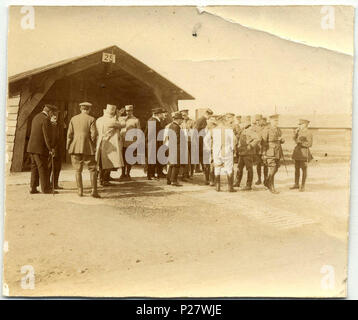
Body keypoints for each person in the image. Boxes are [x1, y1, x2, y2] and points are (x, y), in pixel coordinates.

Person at [67, 102, 100, 198]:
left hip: (75, 146)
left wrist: (68, 146)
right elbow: (93, 135)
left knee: (77, 170)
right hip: (87, 147)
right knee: (92, 169)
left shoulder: (73, 119)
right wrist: (93, 146)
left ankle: (80, 191)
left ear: (80, 109)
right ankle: (94, 191)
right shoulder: (92, 119)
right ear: (89, 109)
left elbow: (69, 135)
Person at [27, 104, 58, 194]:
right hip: (40, 149)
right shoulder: (45, 119)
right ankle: (46, 189)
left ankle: (33, 188)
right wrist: (51, 148)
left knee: (34, 168)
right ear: (49, 111)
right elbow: (46, 136)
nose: (53, 115)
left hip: (31, 148)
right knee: (43, 168)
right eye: (52, 113)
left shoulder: (36, 117)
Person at [96, 104, 125, 187]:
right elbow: (123, 124)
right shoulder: (112, 121)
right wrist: (119, 116)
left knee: (101, 162)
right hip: (110, 144)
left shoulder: (99, 120)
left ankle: (101, 178)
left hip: (101, 142)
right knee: (109, 162)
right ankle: (104, 180)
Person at [211, 116, 236, 192]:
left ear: (218, 122)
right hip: (227, 150)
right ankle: (230, 187)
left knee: (217, 167)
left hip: (216, 151)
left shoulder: (213, 130)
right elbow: (234, 140)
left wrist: (212, 148)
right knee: (229, 168)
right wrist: (232, 149)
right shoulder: (229, 130)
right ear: (224, 121)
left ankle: (217, 187)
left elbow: (207, 140)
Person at [235, 116, 260, 191]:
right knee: (239, 168)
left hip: (248, 153)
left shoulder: (251, 130)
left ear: (248, 122)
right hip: (242, 152)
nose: (244, 123)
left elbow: (257, 139)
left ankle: (248, 185)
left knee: (249, 169)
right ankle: (237, 182)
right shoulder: (243, 130)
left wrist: (251, 145)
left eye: (245, 122)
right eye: (244, 122)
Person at [262, 114, 285, 194]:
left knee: (276, 168)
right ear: (270, 120)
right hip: (270, 151)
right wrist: (264, 153)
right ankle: (272, 187)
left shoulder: (278, 129)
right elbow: (263, 142)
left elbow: (281, 140)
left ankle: (267, 181)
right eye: (275, 120)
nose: (276, 122)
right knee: (273, 168)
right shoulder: (267, 129)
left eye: (277, 120)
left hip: (278, 151)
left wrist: (282, 140)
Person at [118, 105, 141, 180]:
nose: (128, 112)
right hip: (122, 141)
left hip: (131, 142)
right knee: (123, 158)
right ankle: (122, 173)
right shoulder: (121, 119)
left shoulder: (135, 120)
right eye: (127, 111)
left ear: (132, 111)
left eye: (130, 111)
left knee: (129, 158)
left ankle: (128, 173)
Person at [290, 119, 313, 192]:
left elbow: (310, 144)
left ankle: (302, 186)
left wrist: (301, 143)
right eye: (299, 124)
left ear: (305, 125)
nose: (299, 126)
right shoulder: (299, 131)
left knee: (304, 169)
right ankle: (296, 184)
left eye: (301, 124)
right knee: (296, 169)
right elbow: (294, 139)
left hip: (304, 152)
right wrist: (295, 133)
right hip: (297, 152)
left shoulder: (308, 133)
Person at [194, 108, 213, 185]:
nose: (209, 118)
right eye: (210, 116)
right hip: (201, 144)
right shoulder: (202, 120)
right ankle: (207, 179)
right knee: (205, 162)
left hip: (201, 143)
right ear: (207, 114)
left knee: (204, 162)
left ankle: (207, 178)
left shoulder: (202, 120)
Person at [145, 108, 163, 180]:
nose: (162, 115)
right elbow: (151, 134)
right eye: (161, 113)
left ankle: (151, 174)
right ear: (157, 114)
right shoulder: (153, 120)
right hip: (152, 143)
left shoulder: (154, 120)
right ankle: (151, 175)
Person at [166, 112, 184, 186]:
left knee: (171, 164)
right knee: (176, 164)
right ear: (178, 119)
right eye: (181, 120)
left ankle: (169, 180)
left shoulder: (171, 125)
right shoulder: (176, 127)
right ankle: (174, 181)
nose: (182, 121)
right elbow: (176, 138)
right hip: (176, 147)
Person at [48, 108, 64, 190]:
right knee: (50, 167)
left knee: (57, 167)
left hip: (58, 150)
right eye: (54, 116)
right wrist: (51, 149)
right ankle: (47, 184)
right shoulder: (48, 125)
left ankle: (55, 183)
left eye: (57, 116)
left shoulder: (58, 125)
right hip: (51, 150)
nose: (56, 118)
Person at [251, 114, 267, 185]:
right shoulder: (254, 128)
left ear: (262, 120)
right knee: (258, 164)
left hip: (265, 148)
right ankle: (259, 179)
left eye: (259, 120)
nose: (257, 122)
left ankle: (266, 179)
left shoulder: (266, 128)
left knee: (265, 164)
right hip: (257, 148)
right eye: (256, 121)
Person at [180, 109, 195, 180]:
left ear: (187, 114)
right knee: (184, 158)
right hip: (183, 142)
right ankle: (184, 173)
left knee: (191, 158)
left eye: (185, 115)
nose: (183, 117)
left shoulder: (192, 121)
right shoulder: (180, 122)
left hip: (190, 141)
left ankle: (191, 173)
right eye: (182, 115)